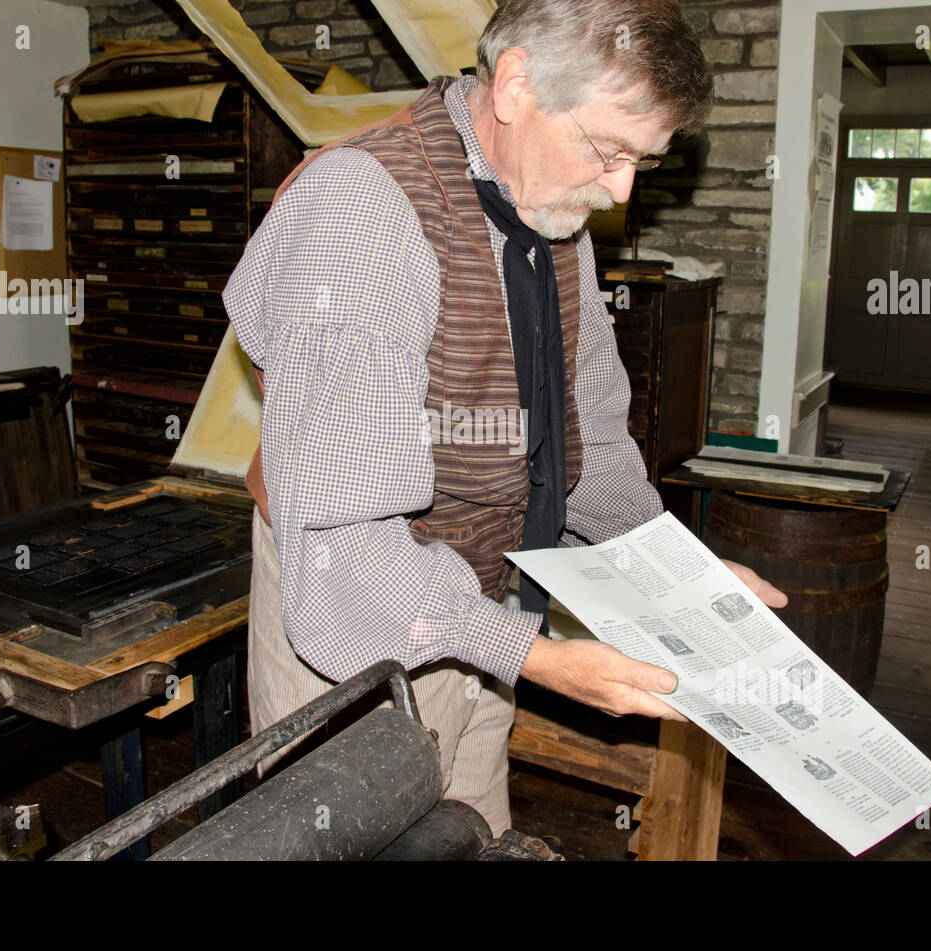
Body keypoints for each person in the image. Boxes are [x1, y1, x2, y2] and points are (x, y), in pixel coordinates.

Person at [223, 0, 787, 837]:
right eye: (608, 149)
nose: (620, 188)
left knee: (466, 835)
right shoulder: (362, 213)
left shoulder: (550, 204)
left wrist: (678, 580)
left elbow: (587, 435)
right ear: (517, 82)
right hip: (352, 633)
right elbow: (347, 547)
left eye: (642, 161)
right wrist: (542, 657)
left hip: (478, 605)